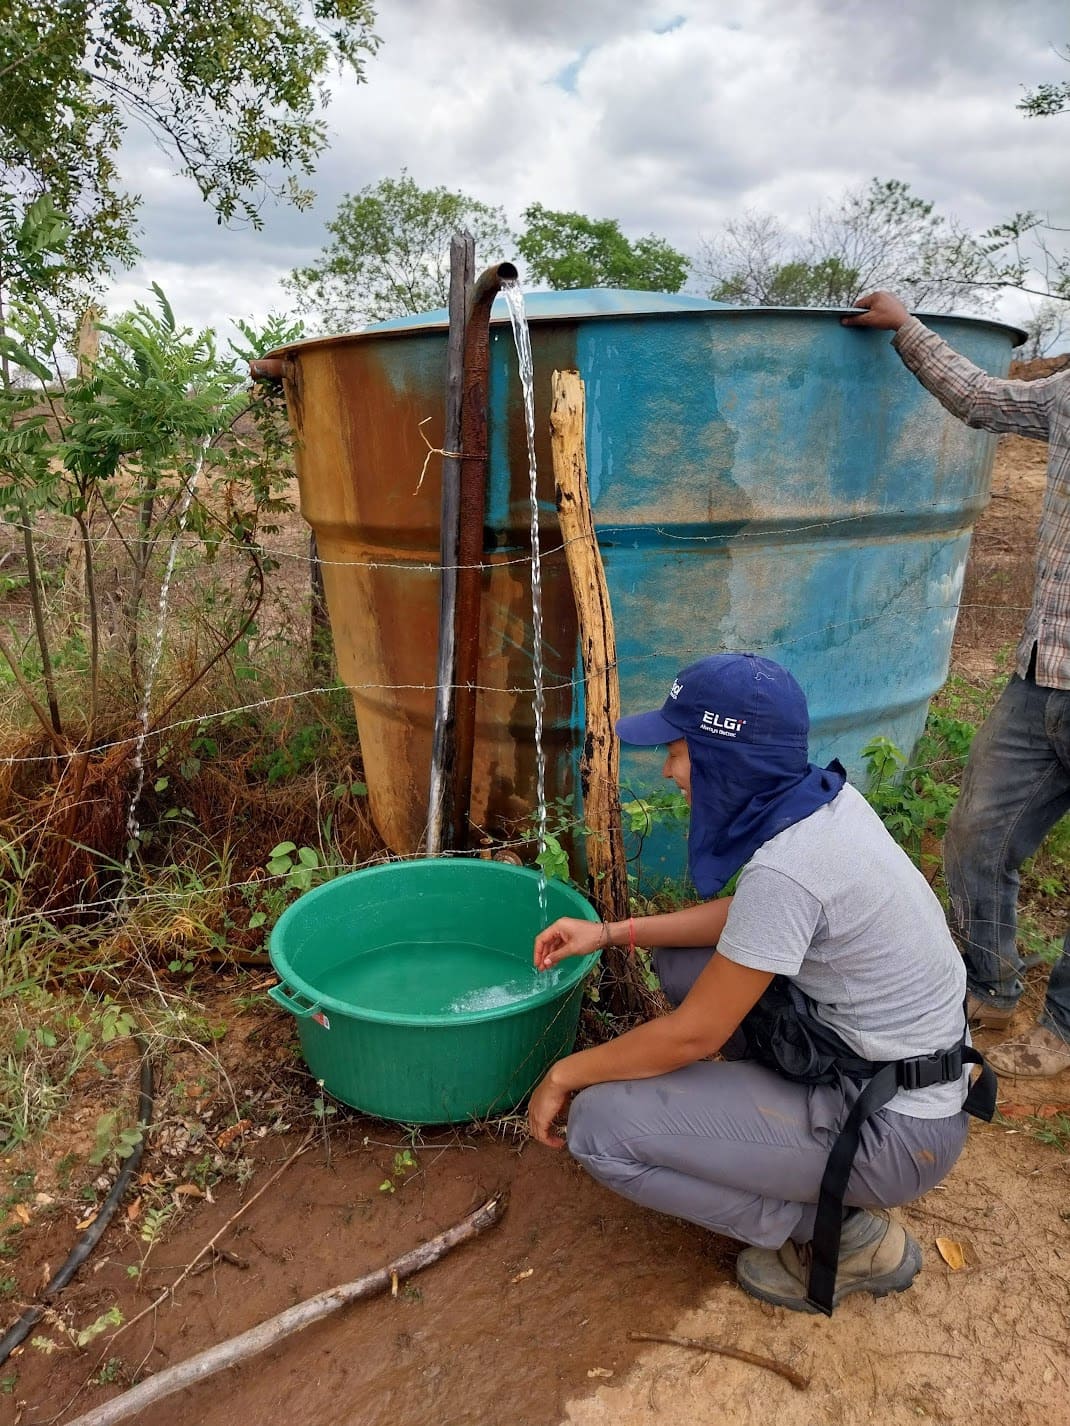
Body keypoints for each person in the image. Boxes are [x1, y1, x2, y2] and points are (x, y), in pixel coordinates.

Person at [527, 653, 993, 1315]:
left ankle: (839, 1233)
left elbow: (694, 1036)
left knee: (600, 1127)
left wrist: (565, 1074)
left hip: (896, 1131)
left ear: (726, 763)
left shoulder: (791, 867)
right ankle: (781, 1142)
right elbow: (756, 920)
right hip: (893, 1069)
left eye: (678, 751)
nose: (667, 769)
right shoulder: (820, 802)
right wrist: (611, 932)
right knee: (682, 961)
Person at [843, 292, 1070, 1078]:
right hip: (1044, 671)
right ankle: (990, 985)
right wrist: (905, 327)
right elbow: (983, 399)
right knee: (978, 831)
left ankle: (1065, 1029)